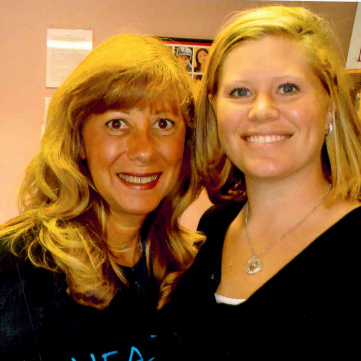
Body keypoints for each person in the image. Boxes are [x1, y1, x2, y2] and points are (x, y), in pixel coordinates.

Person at [170, 6, 361, 359]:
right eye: (240, 92)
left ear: (330, 105)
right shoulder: (214, 226)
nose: (261, 110)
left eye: (288, 88)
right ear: (215, 109)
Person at [0, 34, 203, 361]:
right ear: (79, 140)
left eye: (163, 123)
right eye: (117, 123)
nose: (143, 150)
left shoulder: (190, 266)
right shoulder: (15, 262)